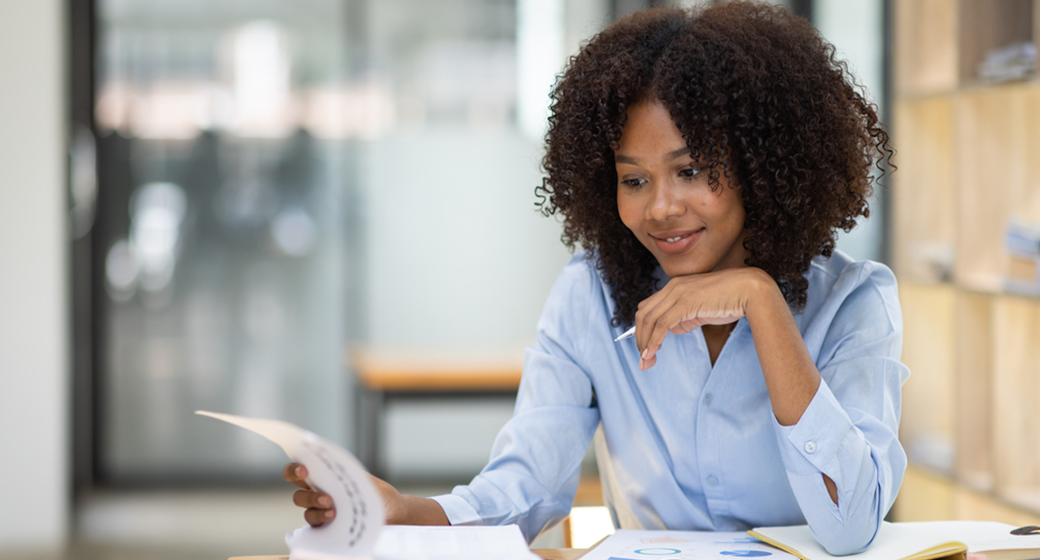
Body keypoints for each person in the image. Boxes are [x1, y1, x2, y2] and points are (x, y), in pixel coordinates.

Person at [285, 2, 907, 555]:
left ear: (762, 162)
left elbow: (849, 524)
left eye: (690, 170)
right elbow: (524, 487)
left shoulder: (854, 302)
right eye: (634, 179)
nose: (660, 207)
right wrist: (406, 513)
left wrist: (761, 300)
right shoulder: (591, 294)